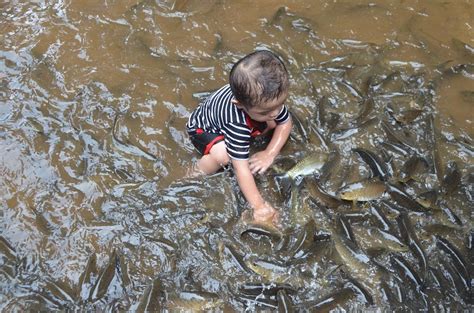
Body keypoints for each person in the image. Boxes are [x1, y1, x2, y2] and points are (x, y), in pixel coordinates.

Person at [186, 50, 292, 224]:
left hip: (236, 115)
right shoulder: (237, 124)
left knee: (273, 123)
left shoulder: (265, 102)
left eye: (280, 105)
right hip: (203, 128)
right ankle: (195, 172)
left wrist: (269, 153)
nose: (275, 112)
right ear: (240, 105)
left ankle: (256, 125)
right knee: (224, 157)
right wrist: (259, 206)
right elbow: (241, 169)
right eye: (266, 111)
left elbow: (285, 123)